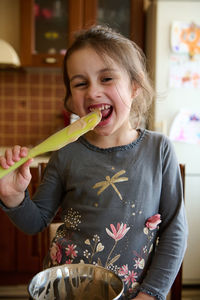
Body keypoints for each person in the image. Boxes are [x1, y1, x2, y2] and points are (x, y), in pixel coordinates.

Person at [0, 25, 188, 300]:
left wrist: (151, 293)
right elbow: (36, 221)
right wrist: (14, 197)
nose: (93, 92)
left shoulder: (158, 150)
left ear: (134, 86)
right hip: (65, 291)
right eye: (80, 83)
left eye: (107, 78)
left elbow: (174, 230)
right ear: (71, 101)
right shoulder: (65, 154)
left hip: (132, 294)